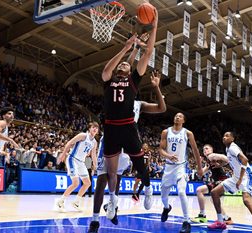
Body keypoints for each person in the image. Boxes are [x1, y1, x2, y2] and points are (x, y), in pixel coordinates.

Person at [88, 71, 166, 233]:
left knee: (116, 178)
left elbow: (161, 108)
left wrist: (157, 88)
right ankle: (95, 221)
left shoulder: (139, 103)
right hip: (111, 137)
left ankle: (113, 206)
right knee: (102, 181)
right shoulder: (112, 88)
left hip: (128, 140)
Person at [101, 7, 158, 220]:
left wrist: (155, 23)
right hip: (110, 127)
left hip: (127, 126)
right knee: (111, 172)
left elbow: (149, 52)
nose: (125, 64)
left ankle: (148, 188)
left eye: (127, 64)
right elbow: (107, 69)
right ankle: (113, 201)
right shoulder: (108, 80)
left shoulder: (133, 80)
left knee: (140, 166)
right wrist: (126, 48)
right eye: (122, 64)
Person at [207, 132, 252, 233]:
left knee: (246, 201)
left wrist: (240, 179)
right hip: (236, 176)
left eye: (227, 136)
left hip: (246, 176)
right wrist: (220, 165)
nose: (224, 137)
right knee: (214, 193)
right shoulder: (228, 149)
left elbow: (245, 160)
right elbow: (229, 161)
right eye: (224, 136)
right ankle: (220, 222)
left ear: (233, 139)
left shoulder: (232, 147)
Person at [159, 112, 203, 233]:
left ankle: (186, 221)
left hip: (181, 167)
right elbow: (161, 150)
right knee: (163, 196)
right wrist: (168, 156)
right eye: (176, 116)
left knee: (182, 192)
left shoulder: (188, 133)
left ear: (183, 121)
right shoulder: (165, 132)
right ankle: (167, 208)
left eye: (180, 116)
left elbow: (195, 151)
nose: (177, 117)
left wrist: (199, 168)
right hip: (168, 167)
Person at [55, 122, 99, 212]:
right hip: (72, 159)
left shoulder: (94, 142)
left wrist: (96, 166)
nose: (95, 129)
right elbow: (70, 143)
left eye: (97, 128)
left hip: (81, 162)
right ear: (89, 128)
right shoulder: (83, 135)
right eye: (93, 127)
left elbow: (94, 155)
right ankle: (61, 201)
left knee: (87, 183)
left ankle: (76, 202)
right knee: (76, 183)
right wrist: (63, 155)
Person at [191, 144, 232, 224]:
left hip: (221, 180)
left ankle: (202, 215)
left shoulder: (212, 156)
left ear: (211, 150)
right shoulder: (208, 161)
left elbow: (227, 159)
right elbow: (200, 173)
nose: (205, 150)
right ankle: (226, 218)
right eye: (203, 150)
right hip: (219, 181)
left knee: (199, 190)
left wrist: (221, 164)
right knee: (213, 199)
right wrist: (198, 163)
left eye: (207, 148)